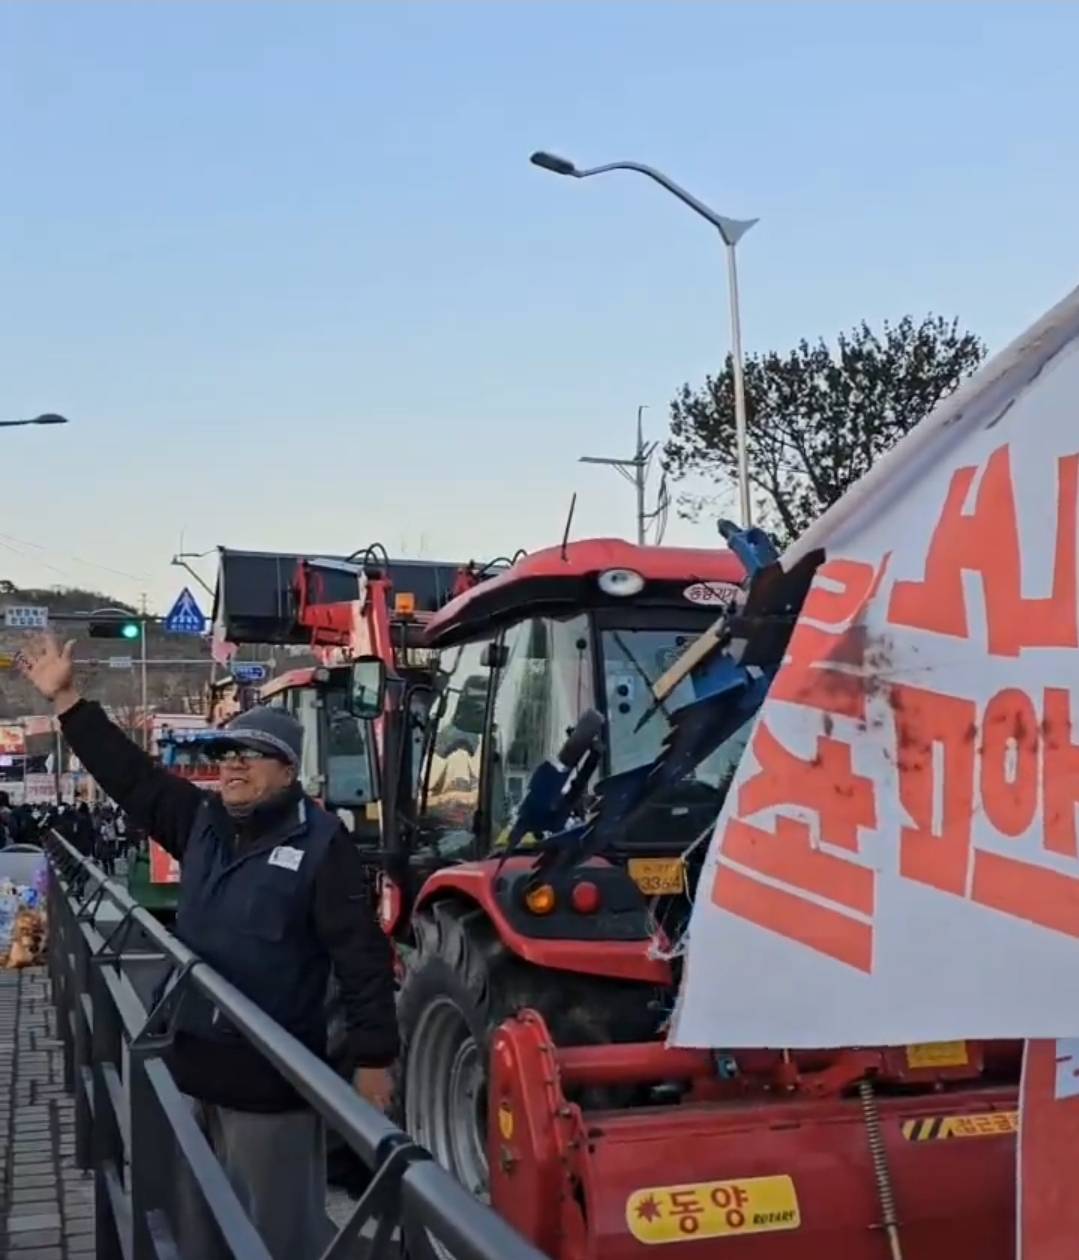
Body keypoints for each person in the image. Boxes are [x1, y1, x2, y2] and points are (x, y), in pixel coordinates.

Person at [17, 634, 399, 1260]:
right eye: (225, 752)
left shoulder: (322, 846)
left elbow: (362, 959)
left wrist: (375, 1060)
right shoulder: (202, 821)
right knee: (205, 1228)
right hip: (196, 1066)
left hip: (271, 1080)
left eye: (253, 755)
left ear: (288, 772)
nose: (233, 765)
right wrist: (67, 700)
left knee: (278, 1237)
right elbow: (130, 776)